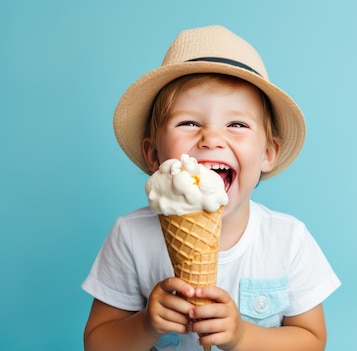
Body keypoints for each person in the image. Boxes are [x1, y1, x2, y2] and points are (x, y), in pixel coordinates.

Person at [82, 25, 341, 351]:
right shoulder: (130, 237)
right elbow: (97, 342)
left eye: (237, 124)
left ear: (267, 153)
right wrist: (145, 324)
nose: (212, 138)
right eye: (189, 122)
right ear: (153, 154)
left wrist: (244, 336)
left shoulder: (288, 240)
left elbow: (312, 340)